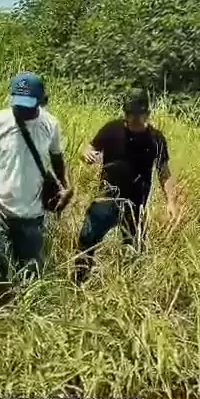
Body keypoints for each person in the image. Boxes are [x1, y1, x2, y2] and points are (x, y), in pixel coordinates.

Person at [0, 72, 72, 287]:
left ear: (43, 101)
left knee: (31, 274)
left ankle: (15, 294)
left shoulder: (50, 125)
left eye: (28, 105)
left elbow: (58, 160)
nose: (22, 110)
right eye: (18, 104)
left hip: (31, 212)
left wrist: (68, 188)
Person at [73, 89, 180, 285]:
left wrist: (171, 202)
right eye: (130, 114)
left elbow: (164, 173)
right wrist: (86, 154)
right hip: (107, 197)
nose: (134, 119)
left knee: (134, 251)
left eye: (138, 115)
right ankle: (78, 283)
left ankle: (129, 289)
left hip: (136, 204)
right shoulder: (112, 129)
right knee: (87, 238)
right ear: (125, 113)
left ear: (147, 114)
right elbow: (89, 148)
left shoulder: (155, 139)